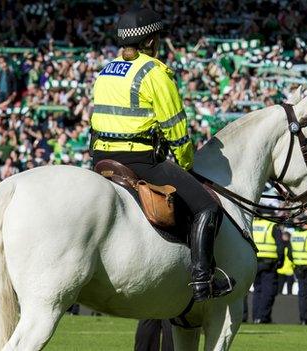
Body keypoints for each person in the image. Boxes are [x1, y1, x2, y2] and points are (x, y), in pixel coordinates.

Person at [89, 7, 233, 302]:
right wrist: (185, 164)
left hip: (100, 157)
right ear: (152, 40)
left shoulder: (105, 70)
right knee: (208, 208)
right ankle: (202, 281)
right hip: (139, 159)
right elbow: (176, 129)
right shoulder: (154, 72)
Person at [251, 217, 285, 324]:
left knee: (257, 291)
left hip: (255, 262)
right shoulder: (272, 225)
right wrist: (280, 261)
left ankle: (256, 317)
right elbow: (280, 246)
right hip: (269, 264)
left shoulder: (253, 224)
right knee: (268, 292)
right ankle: (263, 317)